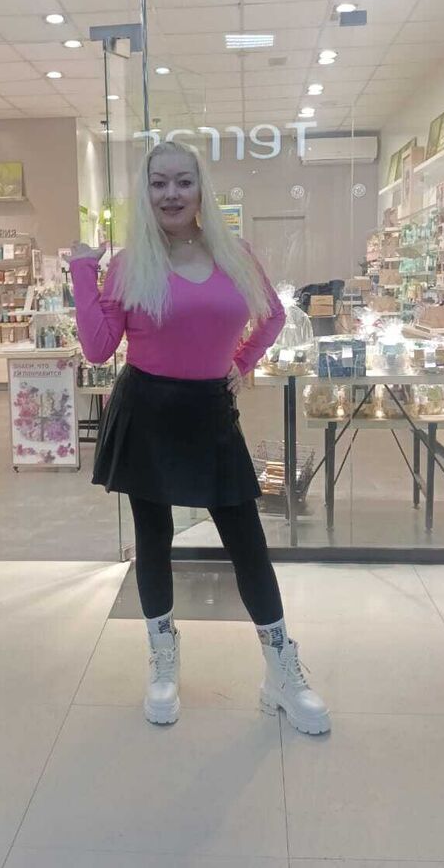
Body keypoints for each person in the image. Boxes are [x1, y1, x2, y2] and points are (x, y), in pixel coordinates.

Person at [68, 140, 330, 736]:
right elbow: (99, 348)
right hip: (147, 408)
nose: (171, 194)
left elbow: (272, 316)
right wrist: (83, 271)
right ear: (145, 192)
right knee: (153, 538)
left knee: (246, 539)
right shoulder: (129, 264)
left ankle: (282, 672)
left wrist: (241, 363)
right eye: (159, 183)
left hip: (209, 411)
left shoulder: (234, 254)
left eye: (183, 182)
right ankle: (163, 661)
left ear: (200, 189)